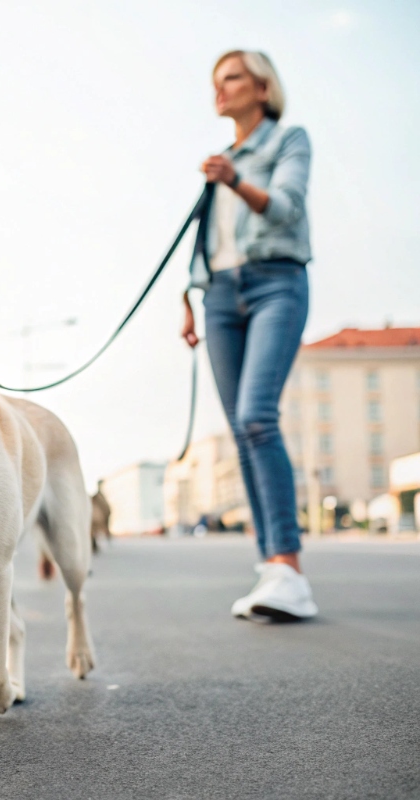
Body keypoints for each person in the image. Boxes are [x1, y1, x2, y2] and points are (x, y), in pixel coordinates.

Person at [182, 50, 318, 620]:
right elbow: (211, 240)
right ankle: (271, 566)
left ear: (263, 87)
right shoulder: (224, 159)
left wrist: (234, 180)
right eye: (216, 81)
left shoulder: (287, 141)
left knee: (258, 416)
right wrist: (190, 296)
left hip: (275, 283)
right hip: (218, 295)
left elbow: (285, 208)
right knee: (241, 431)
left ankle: (289, 568)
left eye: (233, 77)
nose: (221, 89)